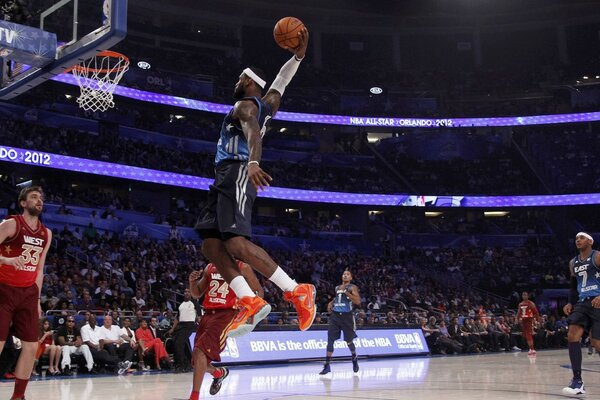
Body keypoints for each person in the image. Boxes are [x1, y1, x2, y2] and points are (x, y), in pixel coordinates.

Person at [194, 27, 316, 336]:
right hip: (225, 177)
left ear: (248, 82)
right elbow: (281, 82)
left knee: (235, 242)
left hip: (236, 171)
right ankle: (248, 299)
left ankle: (296, 290)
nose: (235, 82)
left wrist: (251, 162)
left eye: (239, 78)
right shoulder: (268, 103)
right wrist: (298, 57)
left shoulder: (244, 106)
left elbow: (250, 132)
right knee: (211, 244)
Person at [0, 186, 52, 400]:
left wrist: (38, 299)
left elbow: (40, 268)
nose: (38, 200)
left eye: (41, 198)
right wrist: (6, 260)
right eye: (33, 197)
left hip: (29, 293)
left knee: (31, 346)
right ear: (23, 203)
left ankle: (18, 396)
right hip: (4, 288)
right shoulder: (11, 224)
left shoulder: (46, 233)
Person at [187, 260, 263, 400]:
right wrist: (192, 282)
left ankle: (194, 397)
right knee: (197, 361)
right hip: (208, 314)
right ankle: (219, 373)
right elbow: (196, 294)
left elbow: (258, 291)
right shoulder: (210, 267)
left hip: (227, 314)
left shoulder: (243, 267)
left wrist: (252, 312)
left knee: (199, 352)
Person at [562, 232, 600, 396]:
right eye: (576, 238)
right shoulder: (573, 263)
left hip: (598, 301)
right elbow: (573, 285)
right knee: (572, 335)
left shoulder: (597, 256)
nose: (578, 240)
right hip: (582, 302)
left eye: (582, 238)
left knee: (597, 343)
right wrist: (570, 302)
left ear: (590, 241)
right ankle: (577, 381)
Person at [319, 270, 361, 378]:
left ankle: (354, 357)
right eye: (343, 274)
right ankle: (327, 365)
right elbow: (338, 298)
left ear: (351, 277)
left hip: (347, 317)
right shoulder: (337, 287)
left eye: (347, 274)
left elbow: (358, 301)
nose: (345, 275)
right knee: (330, 339)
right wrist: (331, 302)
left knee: (349, 341)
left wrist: (346, 292)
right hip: (335, 316)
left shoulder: (352, 287)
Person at [169, 288, 199, 372]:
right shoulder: (181, 304)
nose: (186, 293)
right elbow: (177, 318)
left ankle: (183, 364)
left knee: (179, 344)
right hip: (181, 326)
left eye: (188, 292)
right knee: (176, 344)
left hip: (190, 326)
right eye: (185, 291)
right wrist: (172, 328)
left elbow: (199, 317)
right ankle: (181, 364)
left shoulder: (194, 303)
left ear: (191, 293)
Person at [517, 291, 540, 356]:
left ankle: (532, 349)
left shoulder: (531, 303)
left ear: (527, 296)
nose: (524, 296)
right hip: (523, 321)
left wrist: (537, 320)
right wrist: (517, 319)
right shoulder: (520, 304)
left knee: (528, 335)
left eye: (525, 295)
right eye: (523, 295)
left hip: (529, 320)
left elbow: (536, 312)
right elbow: (519, 313)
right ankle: (531, 348)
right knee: (526, 335)